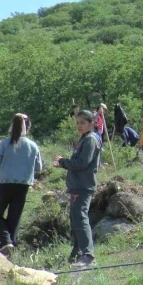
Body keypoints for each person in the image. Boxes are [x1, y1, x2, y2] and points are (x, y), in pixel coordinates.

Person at [54, 110, 102, 268]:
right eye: (77, 122)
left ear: (91, 123)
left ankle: (88, 255)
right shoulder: (85, 139)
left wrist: (63, 162)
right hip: (78, 186)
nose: (79, 126)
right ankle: (77, 253)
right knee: (75, 219)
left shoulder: (90, 140)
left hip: (82, 186)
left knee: (80, 219)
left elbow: (82, 163)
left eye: (83, 122)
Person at [0, 113, 42, 256]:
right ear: (28, 127)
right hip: (24, 184)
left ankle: (6, 241)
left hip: (4, 182)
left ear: (12, 125)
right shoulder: (33, 145)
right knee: (15, 216)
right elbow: (39, 168)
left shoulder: (5, 143)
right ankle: (10, 244)